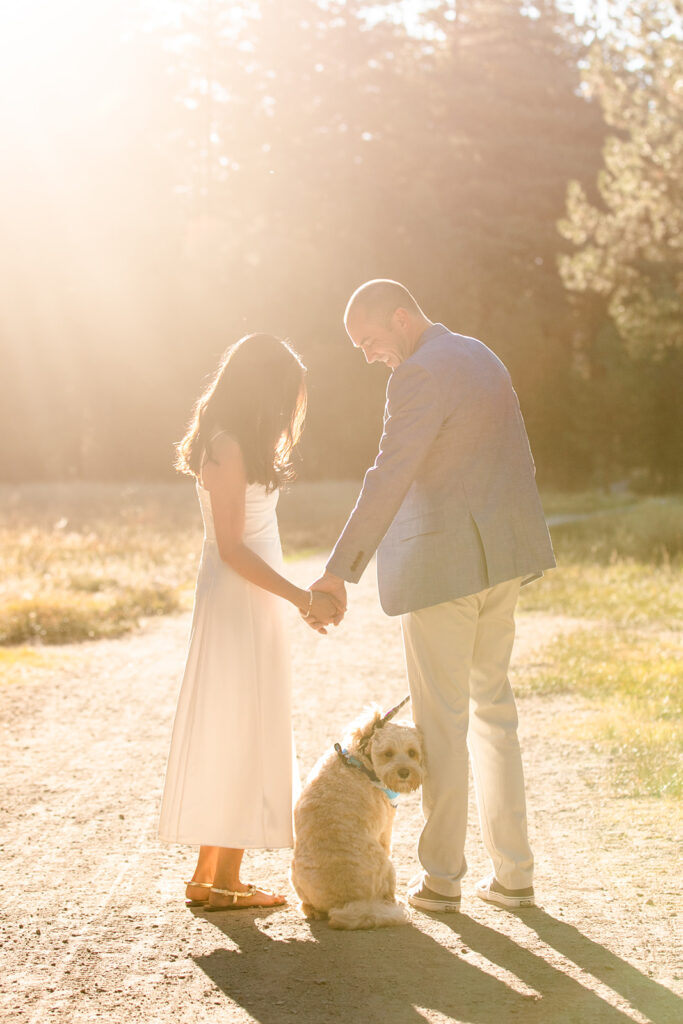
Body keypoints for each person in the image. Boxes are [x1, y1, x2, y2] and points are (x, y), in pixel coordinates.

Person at [305, 280, 556, 911]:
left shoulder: (416, 375)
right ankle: (515, 875)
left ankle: (443, 880)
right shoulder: (482, 356)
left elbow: (391, 473)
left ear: (399, 316)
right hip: (501, 564)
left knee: (442, 723)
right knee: (496, 715)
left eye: (369, 340)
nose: (368, 355)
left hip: (443, 573)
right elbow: (515, 462)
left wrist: (340, 570)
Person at [159, 333, 341, 910]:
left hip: (246, 599)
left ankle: (210, 876)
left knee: (239, 724)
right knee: (242, 728)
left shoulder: (231, 441)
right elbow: (234, 548)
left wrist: (293, 599)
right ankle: (224, 883)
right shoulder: (230, 445)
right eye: (285, 395)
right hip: (239, 597)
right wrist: (300, 598)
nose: (289, 409)